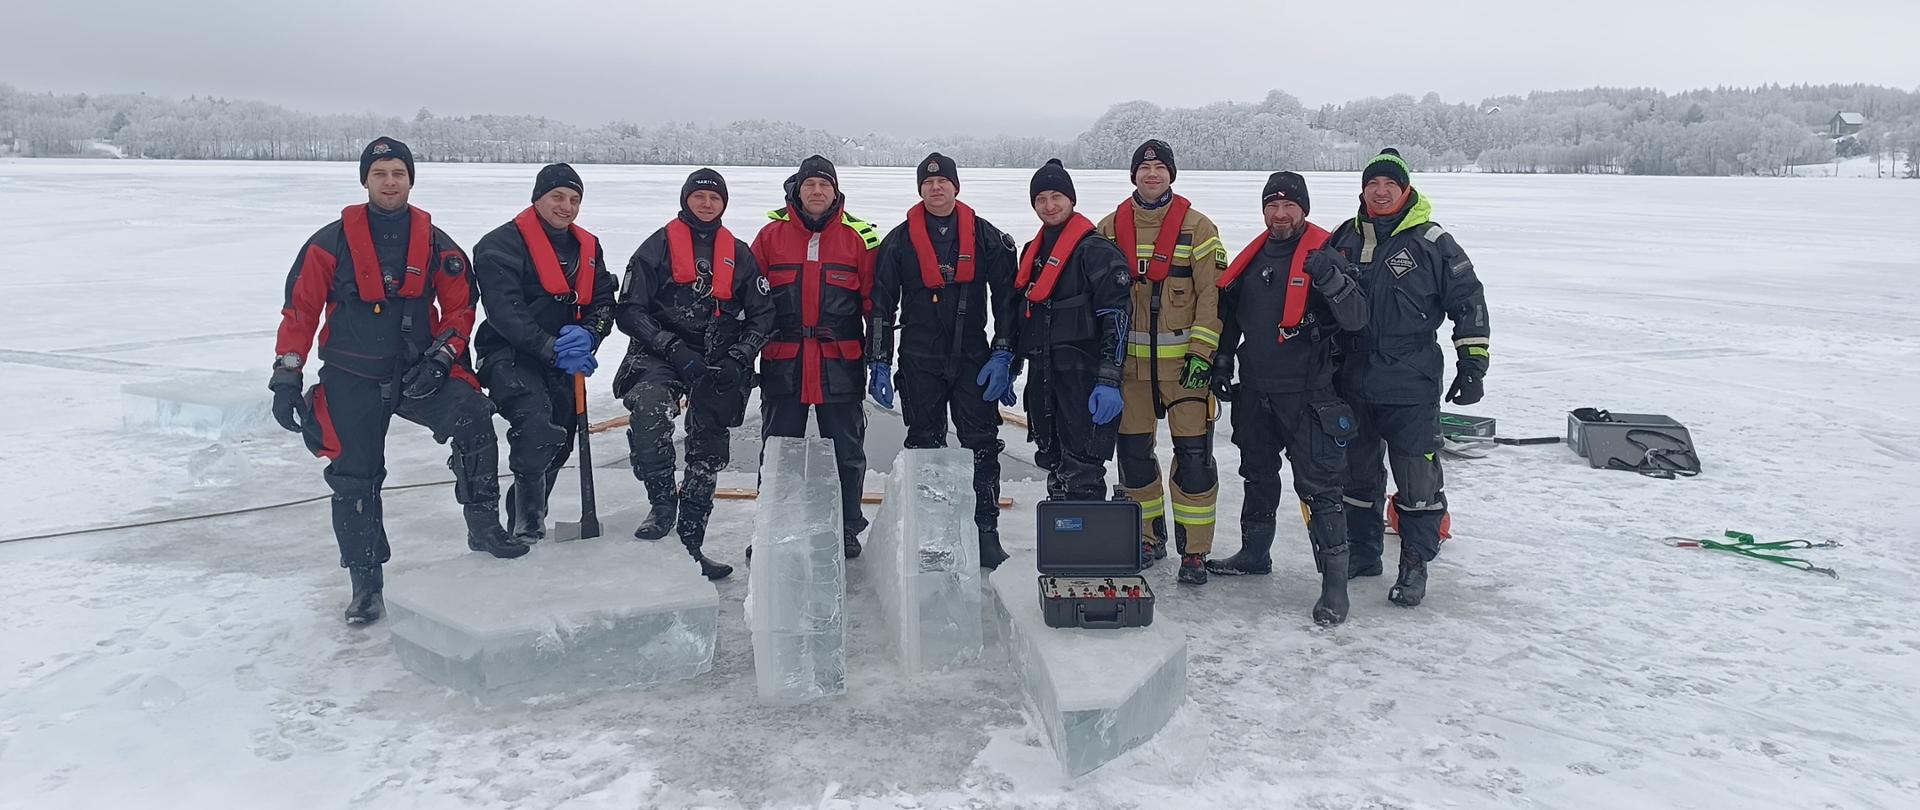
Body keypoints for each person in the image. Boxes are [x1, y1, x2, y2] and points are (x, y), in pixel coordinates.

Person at [269, 136, 525, 626]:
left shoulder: (435, 243)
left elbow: (460, 308)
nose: (390, 182)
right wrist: (287, 373)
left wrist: (443, 357)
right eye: (381, 173)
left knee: (474, 416)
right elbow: (300, 310)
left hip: (418, 371)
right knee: (354, 477)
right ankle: (366, 583)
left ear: (411, 179)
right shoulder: (329, 243)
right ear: (365, 179)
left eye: (399, 173)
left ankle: (484, 526)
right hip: (351, 373)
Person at [1327, 148, 1491, 608]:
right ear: (1362, 189)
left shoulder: (1433, 241)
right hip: (1351, 378)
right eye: (1372, 185)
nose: (1380, 192)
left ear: (1405, 191)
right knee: (1356, 476)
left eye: (1389, 186)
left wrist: (1473, 363)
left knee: (1417, 478)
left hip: (1410, 379)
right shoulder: (1342, 238)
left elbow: (1468, 300)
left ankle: (1415, 564)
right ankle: (1363, 553)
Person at [1208, 172, 1368, 625]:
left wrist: (1333, 282)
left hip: (1309, 395)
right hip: (1256, 390)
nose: (1280, 215)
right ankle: (1255, 553)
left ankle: (1335, 586)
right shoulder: (1254, 257)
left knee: (1319, 488)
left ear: (1304, 210)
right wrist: (1222, 364)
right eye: (1272, 206)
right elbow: (1232, 320)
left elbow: (1357, 320)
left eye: (1289, 207)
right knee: (1257, 475)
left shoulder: (1326, 255)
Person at [613, 168, 772, 580]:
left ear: (723, 204)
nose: (706, 203)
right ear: (686, 200)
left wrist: (740, 356)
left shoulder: (738, 253)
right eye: (699, 196)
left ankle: (690, 546)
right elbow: (629, 310)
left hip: (718, 359)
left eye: (714, 198)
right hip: (661, 354)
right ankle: (662, 501)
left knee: (706, 455)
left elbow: (764, 315)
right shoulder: (656, 248)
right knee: (649, 410)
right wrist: (670, 346)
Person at [867, 152, 1019, 568]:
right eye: (928, 183)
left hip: (974, 358)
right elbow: (881, 304)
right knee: (924, 446)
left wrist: (1005, 352)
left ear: (956, 186)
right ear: (920, 189)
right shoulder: (898, 242)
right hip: (919, 359)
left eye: (943, 182)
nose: (936, 188)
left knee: (982, 446)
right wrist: (879, 359)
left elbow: (1008, 300)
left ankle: (985, 530)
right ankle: (931, 530)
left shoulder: (988, 238)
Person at [1095, 139, 1228, 584]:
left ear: (1172, 174)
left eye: (1159, 167)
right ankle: (1148, 537)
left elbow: (1213, 296)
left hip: (1185, 371)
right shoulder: (1110, 229)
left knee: (1194, 460)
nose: (1152, 174)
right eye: (1144, 167)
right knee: (1133, 457)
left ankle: (1195, 550)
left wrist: (1202, 356)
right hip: (1130, 372)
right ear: (1133, 175)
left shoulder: (1199, 228)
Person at [471, 163, 617, 546]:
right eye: (557, 197)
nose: (566, 206)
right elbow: (505, 312)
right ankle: (528, 525)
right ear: (538, 198)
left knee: (560, 437)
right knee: (537, 427)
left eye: (574, 199)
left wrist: (590, 337)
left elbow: (604, 300)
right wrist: (549, 348)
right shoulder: (498, 245)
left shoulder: (588, 246)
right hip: (509, 353)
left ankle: (525, 510)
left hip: (568, 354)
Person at [750, 155, 882, 558]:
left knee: (847, 452)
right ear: (798, 189)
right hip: (783, 361)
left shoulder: (859, 238)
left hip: (838, 363)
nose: (817, 192)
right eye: (810, 185)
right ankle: (773, 526)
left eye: (825, 185)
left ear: (836, 191)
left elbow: (874, 305)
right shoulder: (770, 236)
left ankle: (845, 526)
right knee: (777, 451)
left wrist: (879, 359)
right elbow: (751, 301)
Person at [1004, 159, 1132, 501]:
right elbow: (1025, 314)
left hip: (1085, 380)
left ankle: (1085, 545)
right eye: (1041, 198)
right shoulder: (1033, 252)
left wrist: (1108, 379)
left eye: (1056, 196)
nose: (1049, 205)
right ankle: (1063, 539)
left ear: (1072, 200)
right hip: (1044, 378)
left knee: (1083, 468)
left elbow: (1117, 318)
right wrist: (1010, 362)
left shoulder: (1097, 251)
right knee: (1054, 464)